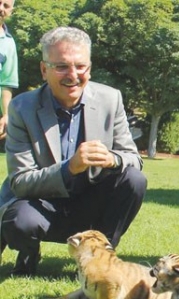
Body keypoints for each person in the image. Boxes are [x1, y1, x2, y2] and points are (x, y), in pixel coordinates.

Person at [0, 26, 147, 275]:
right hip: (41, 204)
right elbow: (21, 182)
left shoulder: (110, 99)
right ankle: (29, 251)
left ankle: (101, 258)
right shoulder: (22, 107)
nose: (73, 75)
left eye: (81, 67)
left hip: (91, 201)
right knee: (18, 220)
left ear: (90, 67)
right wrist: (69, 168)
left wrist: (112, 159)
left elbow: (134, 160)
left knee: (134, 179)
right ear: (44, 70)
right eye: (62, 67)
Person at [0, 0, 17, 140]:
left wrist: (6, 115)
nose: (1, 8)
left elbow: (6, 83)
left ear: (11, 11)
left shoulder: (8, 44)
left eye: (6, 6)